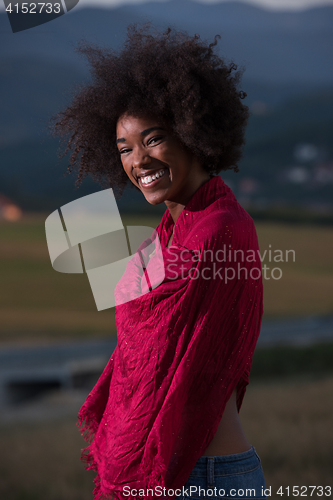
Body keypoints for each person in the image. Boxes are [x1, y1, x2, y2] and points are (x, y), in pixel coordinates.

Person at [50, 23, 267, 500]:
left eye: (153, 139)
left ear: (193, 131)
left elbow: (162, 341)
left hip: (205, 479)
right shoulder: (165, 235)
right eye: (125, 149)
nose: (137, 160)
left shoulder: (219, 228)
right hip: (177, 474)